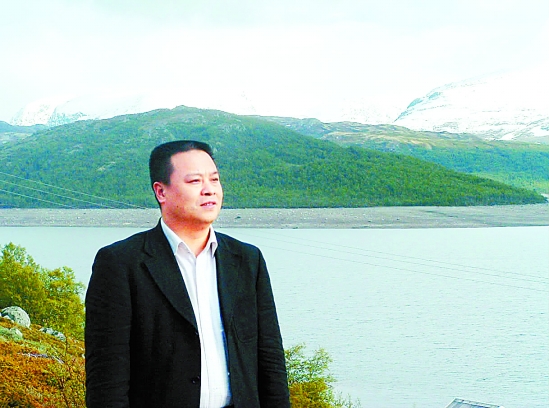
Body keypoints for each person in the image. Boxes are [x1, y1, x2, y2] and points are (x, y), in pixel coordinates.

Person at [85, 140, 290, 408]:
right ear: (161, 191)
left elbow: (270, 360)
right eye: (195, 181)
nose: (209, 190)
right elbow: (107, 377)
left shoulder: (247, 260)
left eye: (214, 180)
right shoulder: (121, 263)